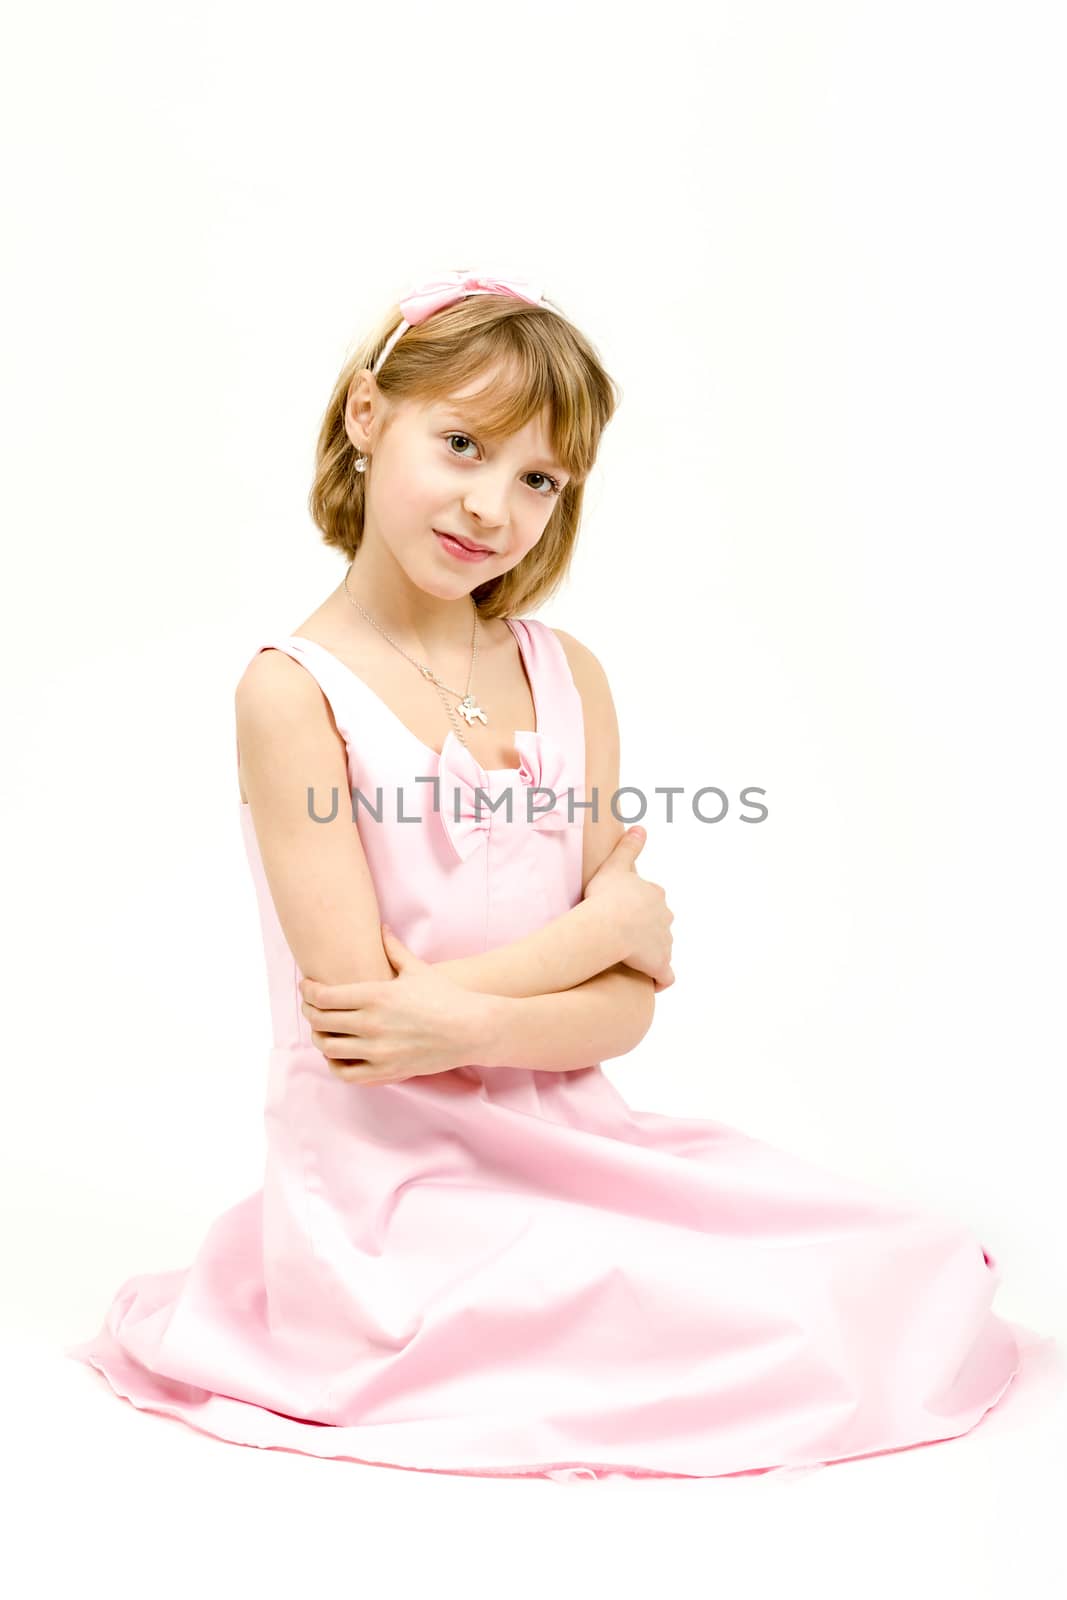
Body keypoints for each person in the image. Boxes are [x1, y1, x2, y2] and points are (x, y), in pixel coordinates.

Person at [66, 268, 1022, 1481]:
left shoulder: (563, 673)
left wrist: (466, 1006)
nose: (491, 506)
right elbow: (368, 1031)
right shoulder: (293, 693)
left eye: (538, 479)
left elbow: (618, 1018)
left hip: (575, 1137)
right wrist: (597, 926)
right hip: (391, 1198)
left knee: (898, 1263)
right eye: (460, 444)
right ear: (368, 418)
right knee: (760, 1332)